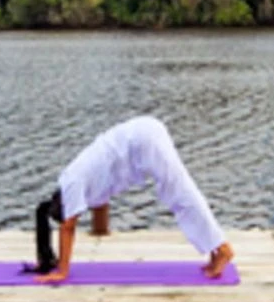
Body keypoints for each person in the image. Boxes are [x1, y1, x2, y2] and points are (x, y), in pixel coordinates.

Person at [32, 116, 233, 283]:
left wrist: (63, 272)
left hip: (143, 140)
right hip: (143, 134)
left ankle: (222, 248)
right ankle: (214, 250)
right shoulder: (81, 185)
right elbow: (100, 205)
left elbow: (68, 228)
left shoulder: (71, 183)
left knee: (178, 191)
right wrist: (100, 232)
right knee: (177, 191)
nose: (73, 216)